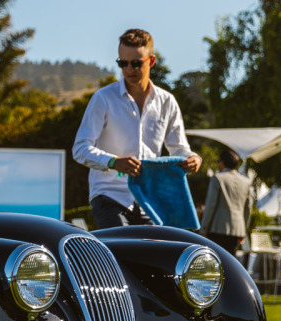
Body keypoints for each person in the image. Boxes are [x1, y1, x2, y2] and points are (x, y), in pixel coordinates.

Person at [73, 29, 201, 228]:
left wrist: (194, 160)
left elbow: (180, 150)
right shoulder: (103, 99)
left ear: (151, 61)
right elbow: (80, 148)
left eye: (136, 63)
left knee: (152, 257)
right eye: (122, 63)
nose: (128, 69)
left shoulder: (167, 102)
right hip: (109, 196)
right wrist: (113, 162)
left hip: (149, 200)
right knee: (119, 254)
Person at [200, 147, 254, 257]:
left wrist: (204, 228)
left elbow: (211, 205)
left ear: (223, 162)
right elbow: (248, 208)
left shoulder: (217, 178)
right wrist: (244, 231)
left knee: (216, 261)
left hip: (217, 228)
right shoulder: (246, 182)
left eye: (218, 161)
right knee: (230, 263)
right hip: (237, 230)